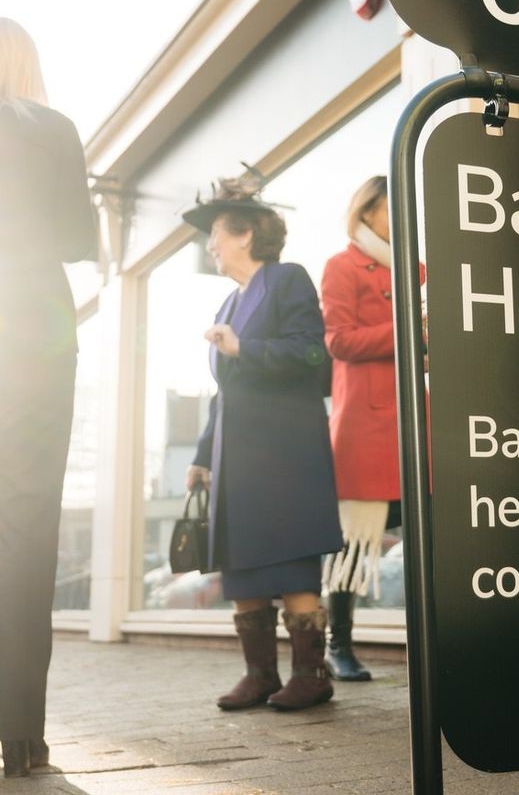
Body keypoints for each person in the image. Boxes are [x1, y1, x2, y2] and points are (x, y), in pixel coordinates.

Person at [182, 174, 344, 711]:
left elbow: (312, 355)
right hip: (238, 457)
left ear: (247, 234)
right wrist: (204, 456)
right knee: (244, 563)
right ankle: (260, 675)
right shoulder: (228, 305)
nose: (211, 245)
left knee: (292, 558)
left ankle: (310, 674)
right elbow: (222, 392)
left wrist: (244, 348)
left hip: (284, 452)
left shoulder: (288, 280)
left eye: (217, 235)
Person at [0, 17, 95, 778]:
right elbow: (76, 238)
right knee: (27, 529)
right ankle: (22, 733)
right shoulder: (50, 126)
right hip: (33, 335)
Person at [319, 175, 401, 681]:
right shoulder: (341, 265)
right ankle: (338, 645)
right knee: (351, 542)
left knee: (433, 536)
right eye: (393, 206)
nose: (402, 214)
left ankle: (440, 643)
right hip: (364, 422)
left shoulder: (419, 267)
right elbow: (339, 340)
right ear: (366, 211)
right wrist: (411, 330)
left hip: (415, 417)